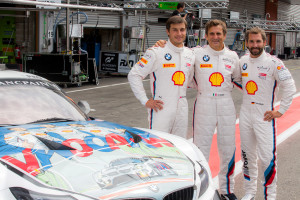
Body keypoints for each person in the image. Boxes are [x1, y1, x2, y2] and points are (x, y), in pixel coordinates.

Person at [154, 19, 241, 200]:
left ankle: (227, 189)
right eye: (211, 34)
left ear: (225, 35)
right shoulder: (196, 53)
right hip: (204, 102)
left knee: (228, 148)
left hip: (226, 103)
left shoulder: (233, 56)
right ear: (206, 36)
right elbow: (179, 54)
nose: (215, 37)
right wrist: (162, 44)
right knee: (201, 148)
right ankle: (204, 189)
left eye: (219, 34)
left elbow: (239, 80)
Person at [239, 27, 296, 200]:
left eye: (258, 41)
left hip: (264, 116)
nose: (255, 45)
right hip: (245, 114)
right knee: (247, 156)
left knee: (267, 158)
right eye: (251, 41)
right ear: (247, 43)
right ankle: (249, 192)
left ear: (265, 42)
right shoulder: (242, 61)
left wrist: (280, 111)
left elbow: (290, 87)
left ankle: (269, 196)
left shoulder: (274, 63)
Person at [127, 16, 195, 138]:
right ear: (168, 31)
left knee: (179, 145)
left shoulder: (190, 54)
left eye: (182, 30)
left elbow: (189, 79)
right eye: (175, 30)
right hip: (161, 107)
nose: (179, 33)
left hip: (182, 108)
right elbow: (134, 75)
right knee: (158, 144)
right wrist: (145, 100)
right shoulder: (156, 51)